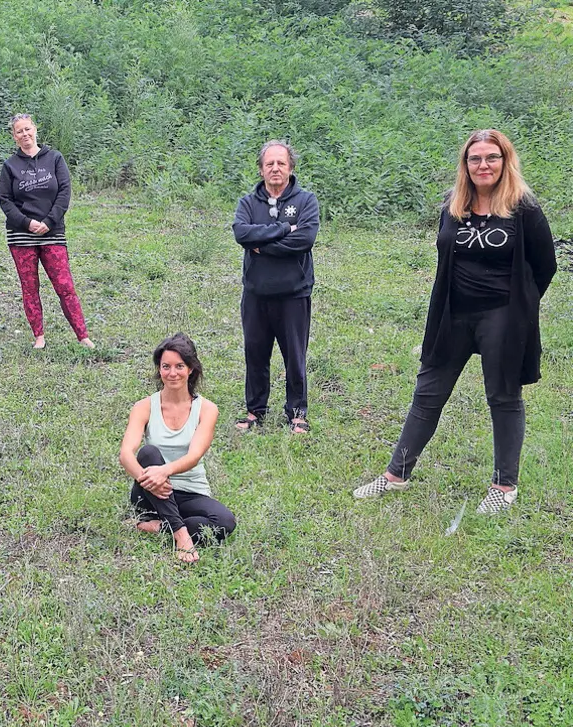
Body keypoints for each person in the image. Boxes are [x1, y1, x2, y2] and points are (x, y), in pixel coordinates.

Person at [354, 129, 557, 515]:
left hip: (502, 315)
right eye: (475, 158)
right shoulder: (454, 204)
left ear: (505, 161)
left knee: (503, 397)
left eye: (491, 158)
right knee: (428, 393)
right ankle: (396, 475)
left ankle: (503, 486)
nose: (484, 165)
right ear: (466, 165)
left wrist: (521, 309)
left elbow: (546, 264)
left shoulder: (523, 207)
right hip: (453, 313)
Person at [119, 334, 237, 563]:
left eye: (179, 366)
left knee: (225, 522)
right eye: (166, 366)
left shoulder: (207, 409)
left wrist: (165, 472)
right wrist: (148, 478)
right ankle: (181, 534)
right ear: (159, 369)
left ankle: (157, 526)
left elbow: (194, 456)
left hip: (190, 491)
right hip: (151, 493)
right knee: (148, 453)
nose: (172, 373)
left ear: (191, 368)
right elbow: (126, 454)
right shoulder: (144, 406)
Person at [231, 140, 319, 434]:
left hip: (294, 294)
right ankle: (255, 411)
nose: (275, 168)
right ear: (261, 169)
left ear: (290, 167)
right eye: (269, 164)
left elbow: (304, 240)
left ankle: (297, 413)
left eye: (281, 163)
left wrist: (261, 245)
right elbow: (242, 233)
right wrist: (282, 229)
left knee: (295, 356)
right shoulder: (248, 203)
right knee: (255, 354)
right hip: (255, 295)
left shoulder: (306, 201)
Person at [0, 113, 94, 350]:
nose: (25, 134)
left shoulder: (55, 159)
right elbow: (5, 200)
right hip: (21, 236)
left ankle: (83, 336)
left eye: (28, 129)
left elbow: (64, 194)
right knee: (30, 287)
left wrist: (49, 221)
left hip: (53, 233)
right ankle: (39, 336)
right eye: (19, 131)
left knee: (64, 285)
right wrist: (27, 223)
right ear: (14, 136)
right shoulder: (10, 166)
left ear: (35, 129)